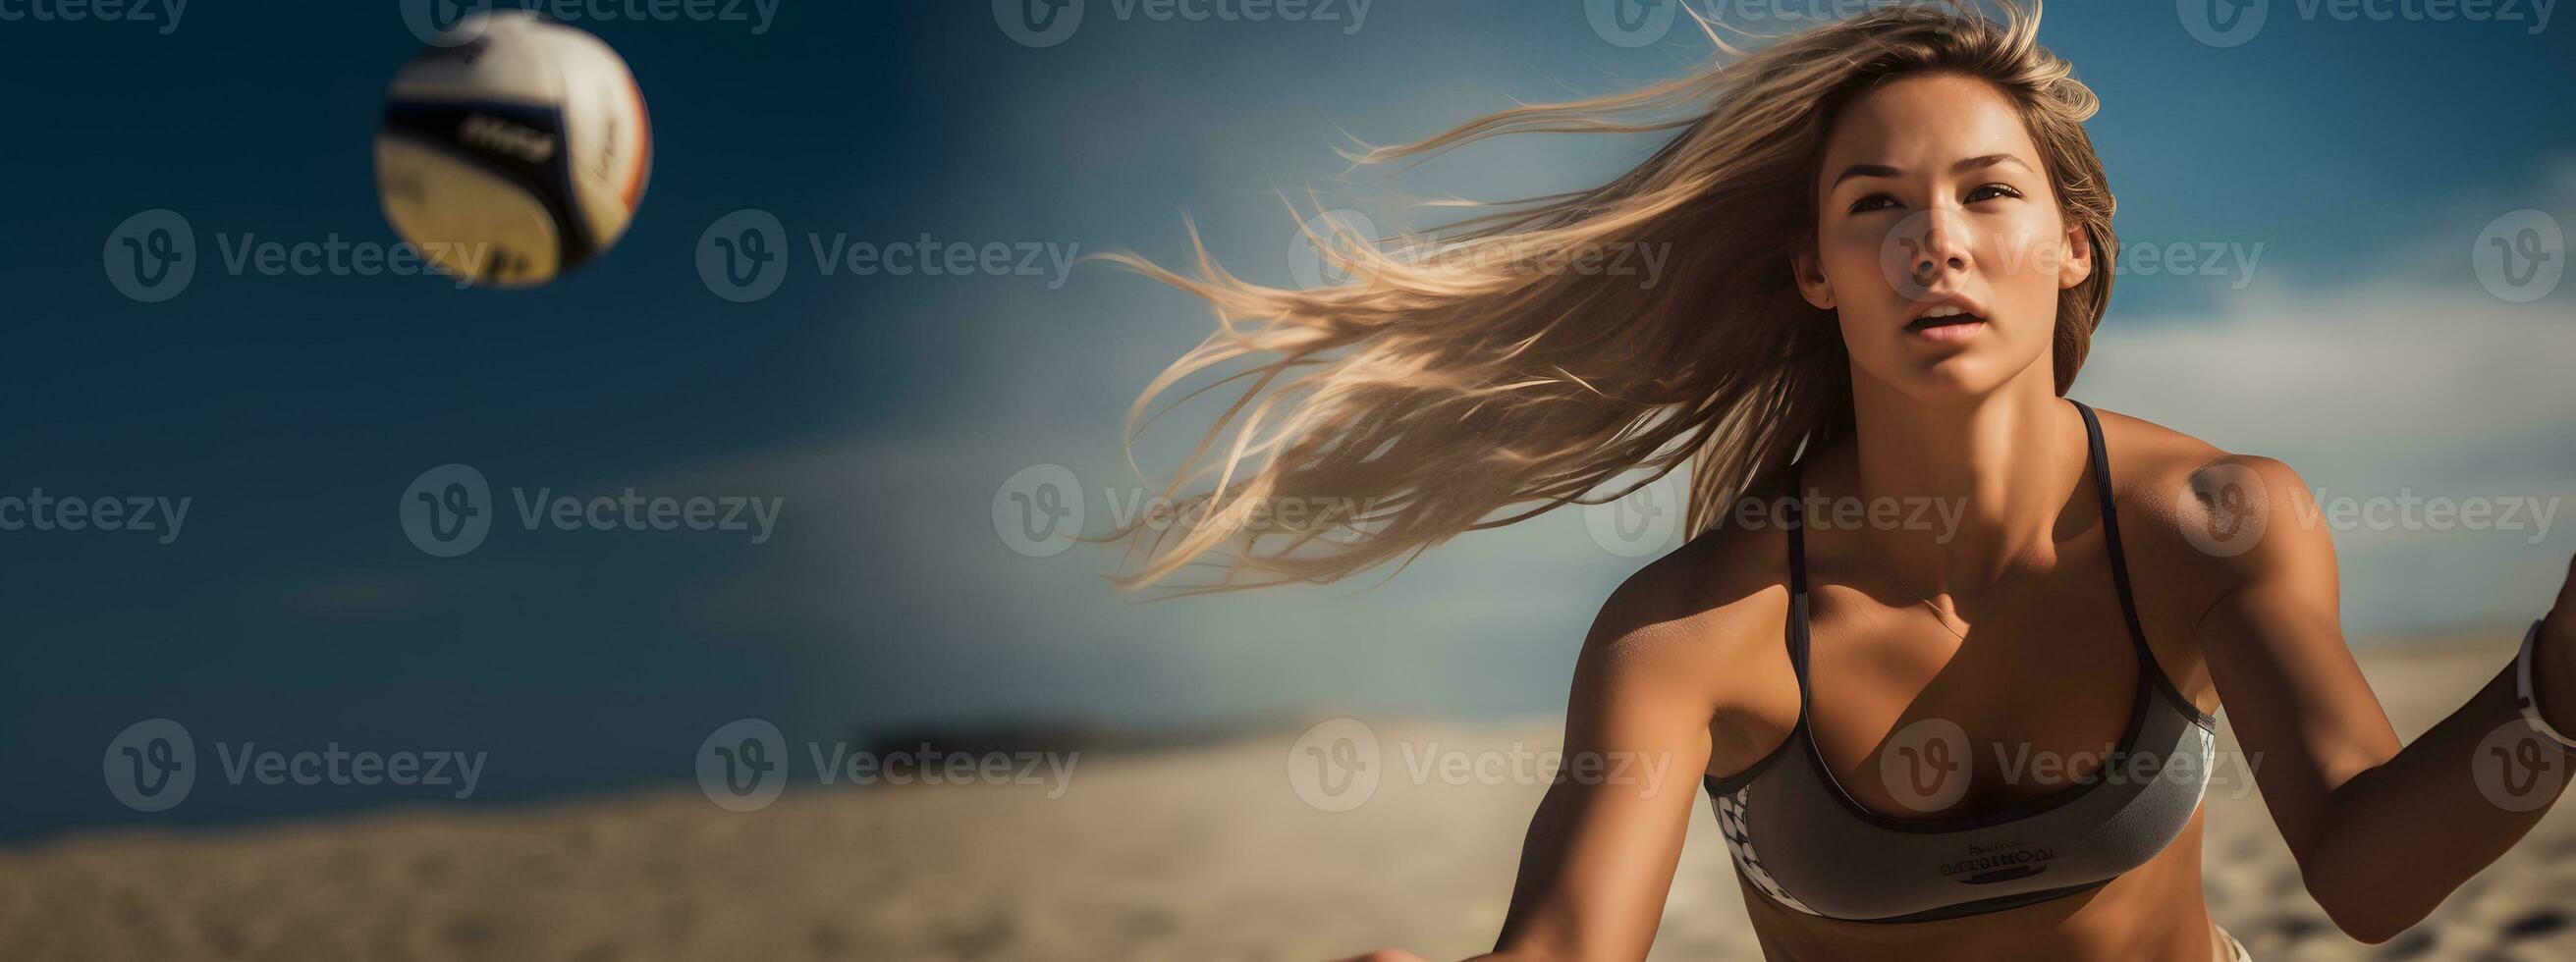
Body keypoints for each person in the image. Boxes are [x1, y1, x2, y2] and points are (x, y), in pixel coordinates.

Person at [1097, 3, 2576, 958]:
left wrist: (2559, 683)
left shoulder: (2213, 526)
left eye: (1989, 191)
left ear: (2071, 241)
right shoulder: (1690, 632)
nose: (1935, 240)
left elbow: (2368, 881)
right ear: (1816, 268)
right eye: (1878, 205)